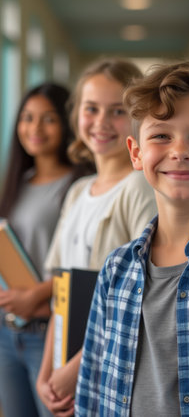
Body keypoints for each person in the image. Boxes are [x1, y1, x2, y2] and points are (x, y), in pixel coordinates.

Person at [75, 58, 189, 417]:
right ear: (136, 153)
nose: (180, 151)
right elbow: (93, 386)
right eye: (161, 135)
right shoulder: (116, 269)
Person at [36, 58, 157, 416]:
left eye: (117, 111)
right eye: (91, 109)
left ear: (137, 119)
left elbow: (140, 299)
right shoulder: (78, 190)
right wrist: (47, 372)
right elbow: (60, 289)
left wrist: (74, 371)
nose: (102, 122)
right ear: (77, 117)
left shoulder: (138, 188)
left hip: (104, 366)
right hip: (62, 364)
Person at [0, 82, 94, 417]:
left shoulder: (81, 186)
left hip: (50, 333)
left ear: (67, 123)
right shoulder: (16, 183)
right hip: (8, 333)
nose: (35, 128)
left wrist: (35, 295)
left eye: (48, 118)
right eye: (27, 117)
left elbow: (84, 265)